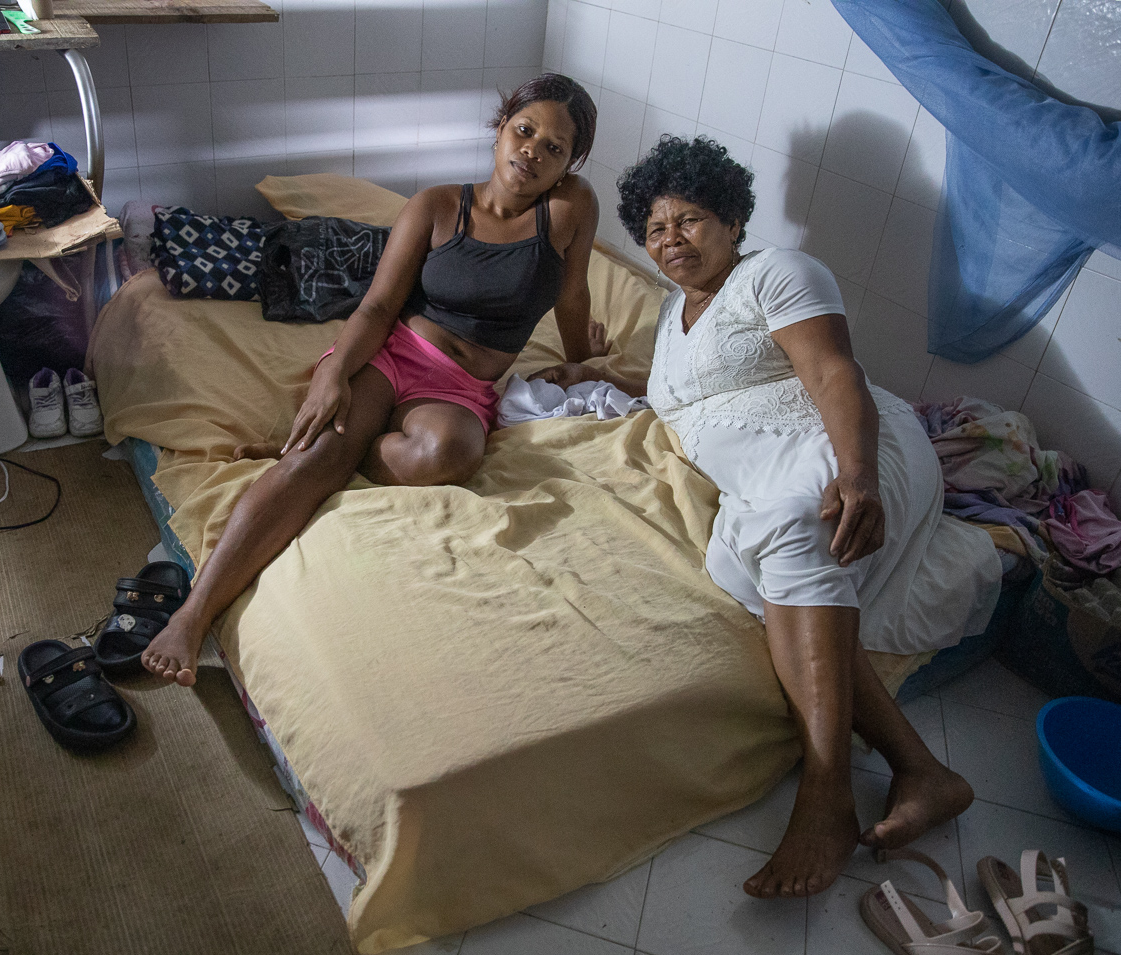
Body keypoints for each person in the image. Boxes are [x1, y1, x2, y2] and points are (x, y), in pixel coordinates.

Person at [533, 135, 1002, 899]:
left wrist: (858, 476)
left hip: (836, 440)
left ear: (731, 220)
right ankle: (923, 770)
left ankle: (828, 789)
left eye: (688, 220)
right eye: (655, 229)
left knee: (792, 527)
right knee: (743, 564)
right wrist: (594, 370)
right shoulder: (671, 310)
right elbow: (684, 388)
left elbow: (831, 369)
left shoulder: (775, 272)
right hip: (760, 476)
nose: (670, 240)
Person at [141, 74, 604, 685]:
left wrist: (581, 365)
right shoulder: (438, 206)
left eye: (555, 148)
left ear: (571, 164)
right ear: (499, 129)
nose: (533, 152)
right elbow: (379, 307)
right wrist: (334, 369)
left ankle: (344, 451)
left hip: (460, 387)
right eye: (525, 131)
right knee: (308, 467)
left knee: (448, 452)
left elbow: (573, 297)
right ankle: (193, 616)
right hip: (395, 354)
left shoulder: (570, 210)